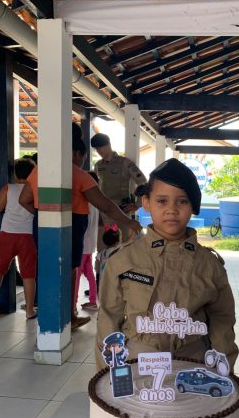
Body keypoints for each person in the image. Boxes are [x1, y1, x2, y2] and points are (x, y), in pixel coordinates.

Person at [96, 158, 238, 418]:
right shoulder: (123, 261)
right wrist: (108, 376)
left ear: (193, 206)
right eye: (161, 200)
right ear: (145, 203)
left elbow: (222, 319)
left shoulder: (210, 264)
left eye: (181, 201)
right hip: (138, 370)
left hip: (191, 370)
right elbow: (108, 317)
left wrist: (225, 368)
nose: (171, 210)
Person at [19, 138, 142, 330]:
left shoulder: (39, 170)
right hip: (76, 225)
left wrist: (42, 217)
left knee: (47, 268)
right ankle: (68, 317)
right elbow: (107, 205)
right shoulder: (79, 174)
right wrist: (130, 222)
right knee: (72, 270)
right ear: (77, 153)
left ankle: (49, 318)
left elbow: (24, 199)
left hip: (43, 228)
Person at [0, 158, 37, 320]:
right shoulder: (34, 189)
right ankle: (30, 311)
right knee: (28, 275)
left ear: (15, 174)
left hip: (7, 236)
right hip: (27, 237)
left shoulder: (8, 189)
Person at [91, 132, 147, 241]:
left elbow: (143, 183)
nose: (98, 151)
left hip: (123, 212)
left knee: (125, 245)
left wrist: (137, 205)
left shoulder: (125, 163)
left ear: (108, 145)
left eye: (100, 147)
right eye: (96, 149)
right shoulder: (98, 166)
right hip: (104, 213)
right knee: (104, 248)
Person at [74, 171, 100, 313]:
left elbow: (84, 225)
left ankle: (73, 304)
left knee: (77, 274)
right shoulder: (95, 203)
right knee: (89, 272)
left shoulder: (85, 202)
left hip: (83, 244)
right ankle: (92, 301)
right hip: (90, 244)